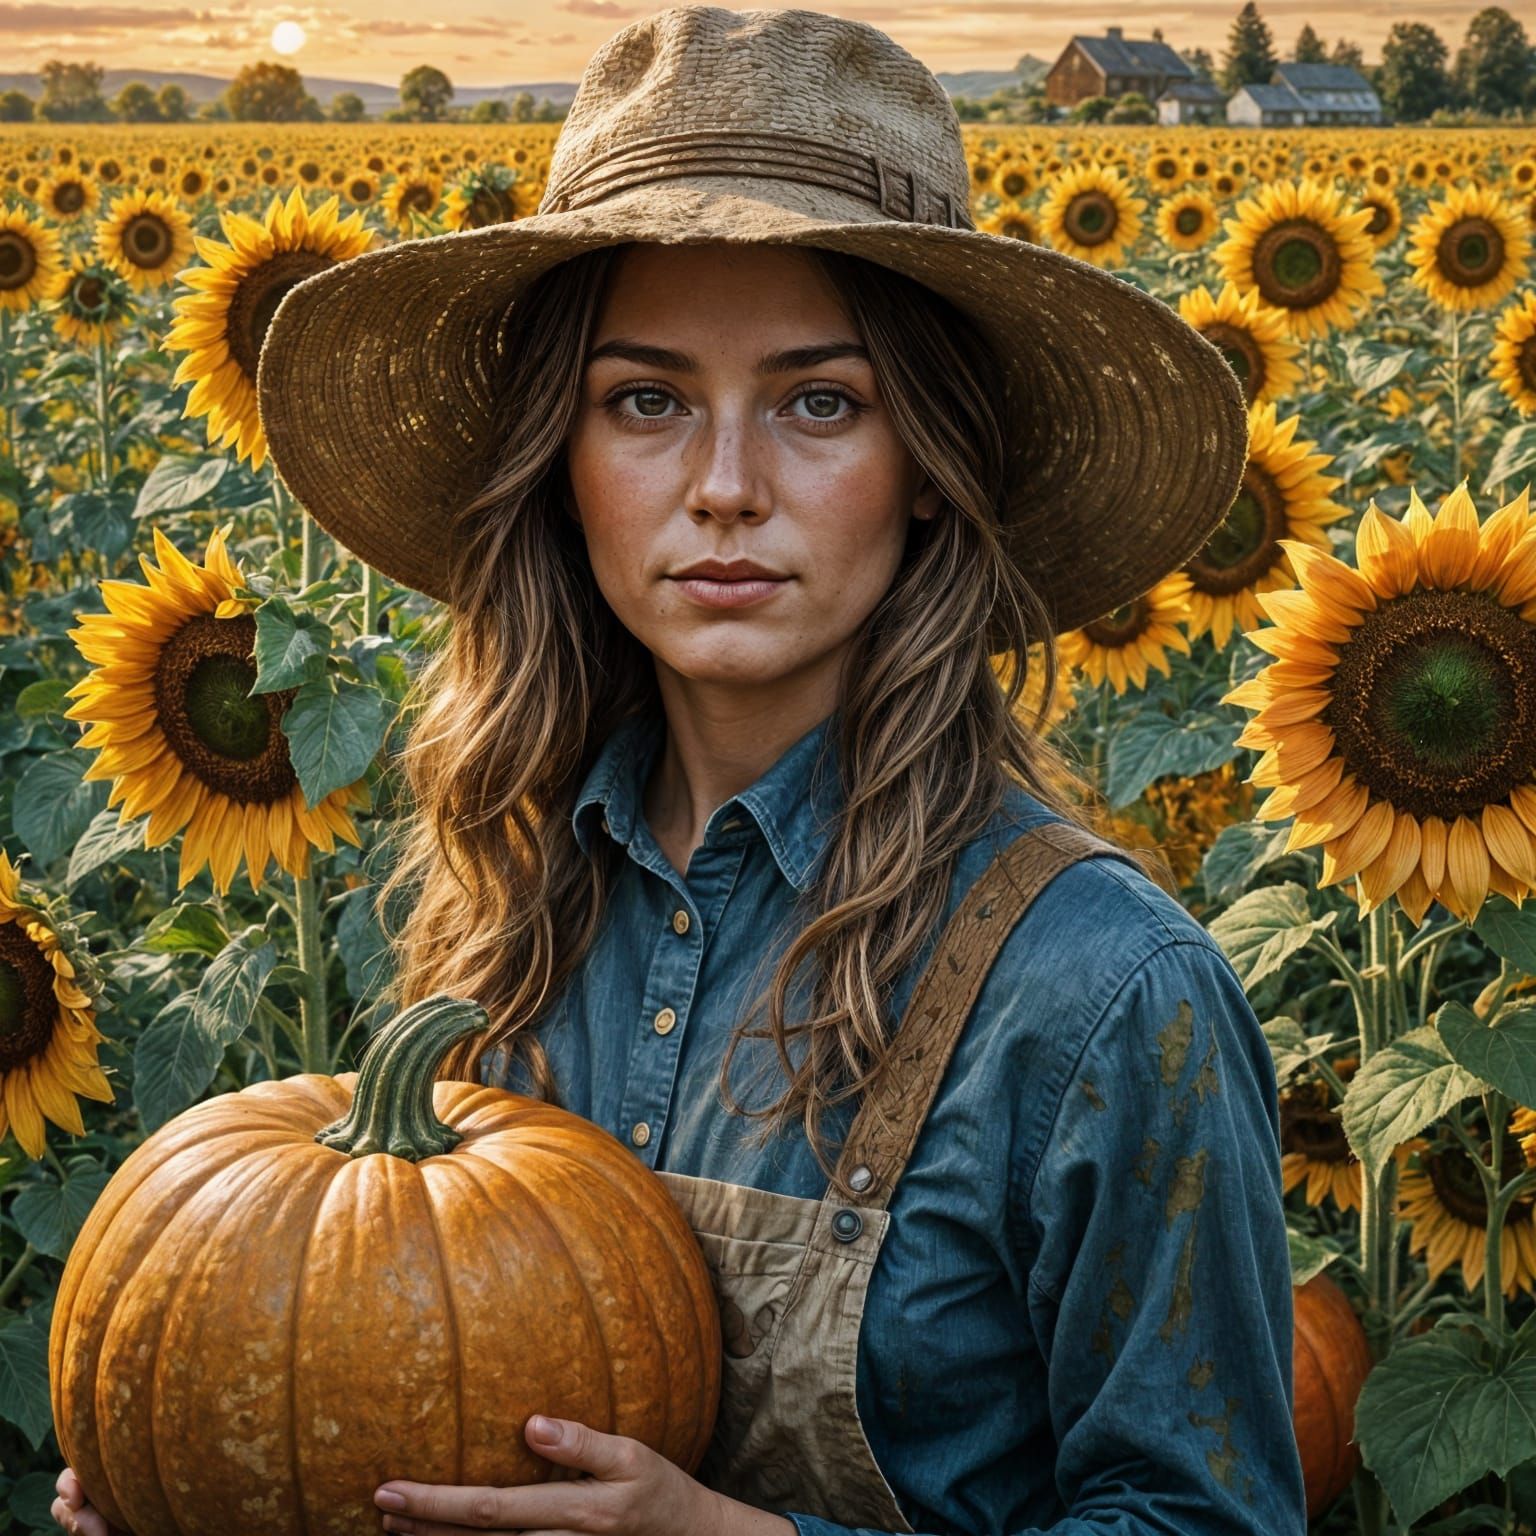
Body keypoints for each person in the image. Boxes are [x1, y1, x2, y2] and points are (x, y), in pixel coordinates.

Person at [55, 7, 1308, 1535]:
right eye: (646, 401)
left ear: (926, 469)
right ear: (560, 462)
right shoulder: (511, 896)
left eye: (819, 402)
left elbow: (1203, 1518)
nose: (725, 489)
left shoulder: (1100, 990)